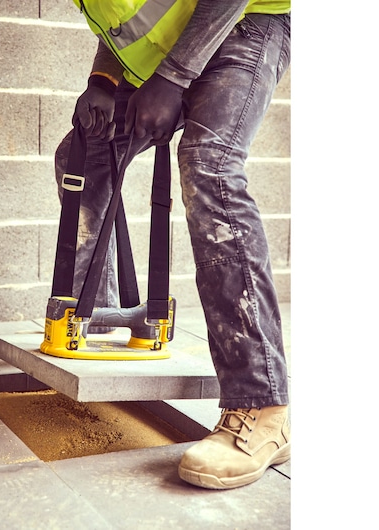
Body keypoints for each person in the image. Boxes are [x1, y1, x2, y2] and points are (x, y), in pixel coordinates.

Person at [54, 0, 291, 489]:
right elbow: (125, 18)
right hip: (171, 56)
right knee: (83, 152)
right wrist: (103, 79)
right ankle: (95, 320)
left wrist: (174, 78)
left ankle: (261, 405)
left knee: (209, 164)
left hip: (247, 22)